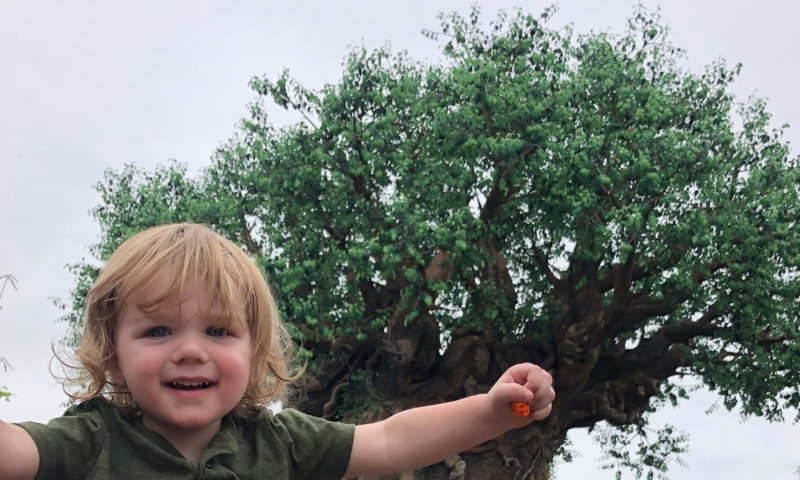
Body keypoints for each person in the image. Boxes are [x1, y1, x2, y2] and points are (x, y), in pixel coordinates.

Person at [0, 223, 554, 480]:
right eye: (158, 332)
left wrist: (489, 412)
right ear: (114, 354)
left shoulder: (280, 442)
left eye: (219, 333)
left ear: (256, 351)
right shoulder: (90, 440)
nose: (190, 352)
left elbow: (387, 441)